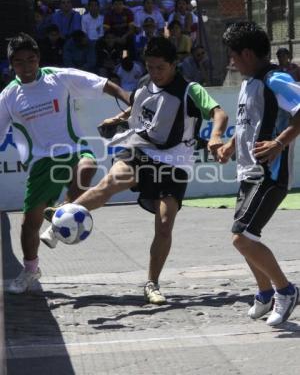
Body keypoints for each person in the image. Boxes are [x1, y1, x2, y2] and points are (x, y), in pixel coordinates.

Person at [42, 37, 228, 304]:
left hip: (175, 161)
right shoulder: (145, 82)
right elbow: (138, 107)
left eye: (160, 68)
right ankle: (60, 221)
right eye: (150, 67)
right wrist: (116, 119)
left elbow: (219, 114)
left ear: (174, 64)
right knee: (108, 184)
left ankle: (152, 284)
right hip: (141, 149)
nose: (154, 73)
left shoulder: (191, 89)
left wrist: (216, 137)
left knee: (164, 225)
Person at [0, 33, 130, 294]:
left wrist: (130, 101)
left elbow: (104, 83)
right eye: (20, 62)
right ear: (11, 64)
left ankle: (61, 215)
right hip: (41, 162)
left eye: (31, 60)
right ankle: (30, 269)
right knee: (29, 225)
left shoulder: (58, 77)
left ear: (38, 58)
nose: (26, 67)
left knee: (88, 166)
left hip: (73, 147)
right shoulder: (8, 96)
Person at [219, 21, 300, 326]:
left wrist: (279, 143)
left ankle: (286, 290)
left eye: (234, 56)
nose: (232, 61)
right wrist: (229, 145)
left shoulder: (275, 79)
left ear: (249, 54)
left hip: (270, 174)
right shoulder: (247, 82)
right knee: (244, 237)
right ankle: (265, 293)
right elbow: (246, 124)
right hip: (247, 173)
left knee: (242, 238)